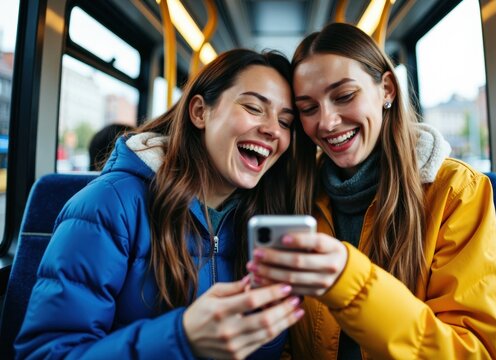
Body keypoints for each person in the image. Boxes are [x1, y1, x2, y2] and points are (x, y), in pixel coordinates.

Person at [15, 49, 306, 360]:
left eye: (285, 121)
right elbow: (44, 354)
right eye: (253, 107)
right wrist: (181, 338)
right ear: (199, 112)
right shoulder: (109, 206)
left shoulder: (265, 220)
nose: (274, 129)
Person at [248, 23, 496, 359]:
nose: (326, 122)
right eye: (308, 108)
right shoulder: (299, 194)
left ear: (386, 89)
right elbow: (289, 341)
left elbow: (471, 352)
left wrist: (350, 282)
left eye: (344, 96)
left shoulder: (457, 192)